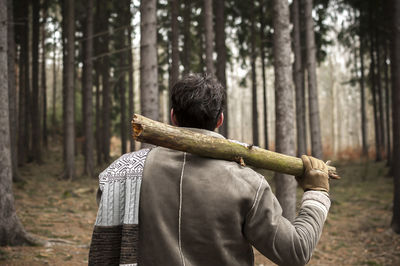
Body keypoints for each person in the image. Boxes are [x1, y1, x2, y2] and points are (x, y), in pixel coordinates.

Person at [89, 74, 332, 266]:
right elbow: (296, 252)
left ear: (173, 117)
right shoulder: (248, 184)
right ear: (220, 120)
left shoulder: (122, 173)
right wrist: (317, 193)